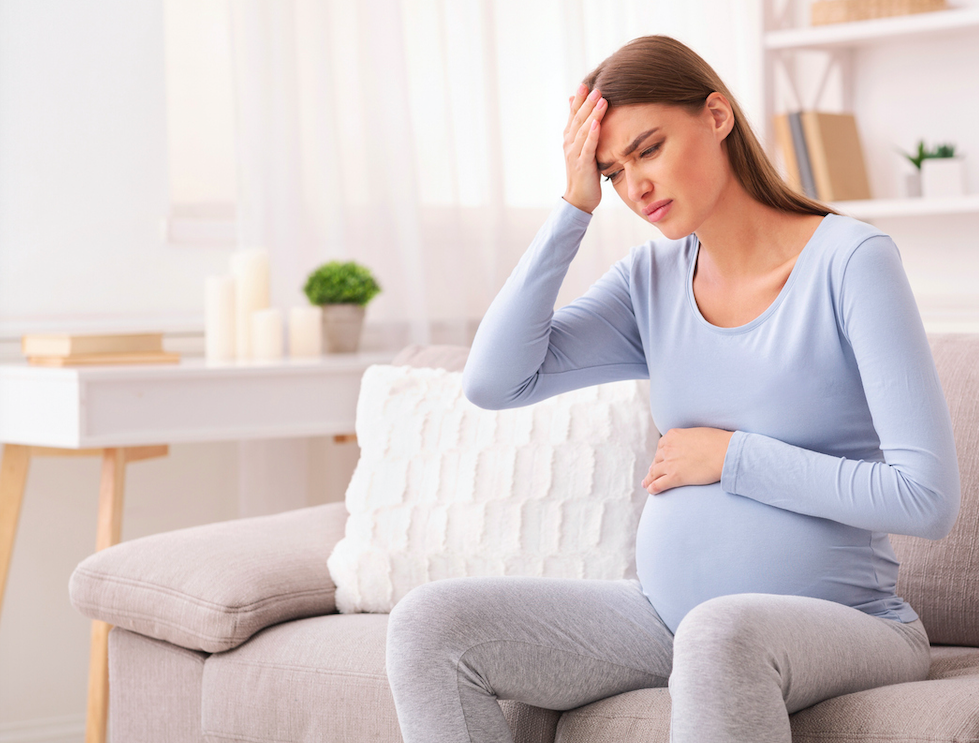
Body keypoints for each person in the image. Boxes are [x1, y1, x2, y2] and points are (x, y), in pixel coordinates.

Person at [385, 35, 961, 743]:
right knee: (431, 625)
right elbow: (494, 381)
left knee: (719, 632)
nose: (635, 188)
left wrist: (732, 457)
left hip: (850, 624)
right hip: (667, 620)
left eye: (648, 150)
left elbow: (925, 498)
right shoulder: (647, 282)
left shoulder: (850, 260)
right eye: (612, 172)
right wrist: (573, 206)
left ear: (716, 116)